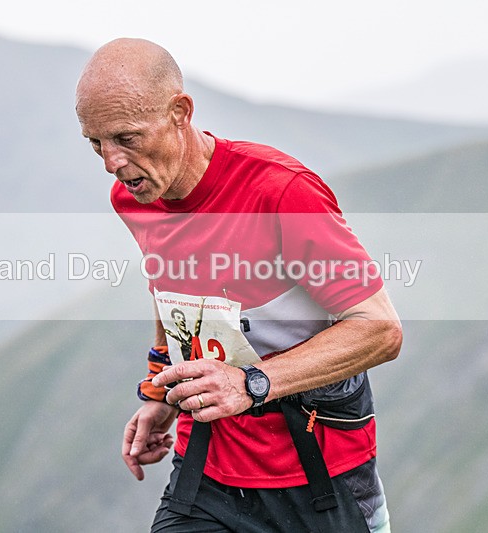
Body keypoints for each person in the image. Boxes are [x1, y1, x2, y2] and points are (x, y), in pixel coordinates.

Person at [75, 38, 402, 533]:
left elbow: (379, 329)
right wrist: (160, 392)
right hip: (205, 470)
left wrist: (251, 383)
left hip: (319, 476)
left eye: (126, 137)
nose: (111, 162)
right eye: (96, 142)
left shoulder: (279, 190)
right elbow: (169, 291)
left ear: (179, 112)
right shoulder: (134, 197)